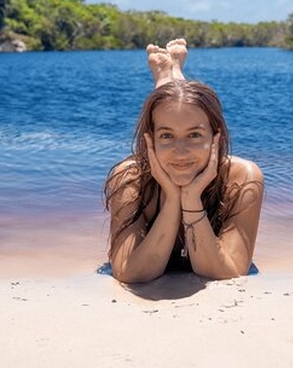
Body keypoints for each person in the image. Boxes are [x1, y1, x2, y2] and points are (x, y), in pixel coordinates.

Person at [104, 39, 264, 283]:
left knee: (178, 105)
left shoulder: (243, 177)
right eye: (166, 136)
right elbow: (130, 273)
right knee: (175, 104)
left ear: (216, 137)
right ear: (150, 140)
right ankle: (167, 75)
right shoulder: (129, 177)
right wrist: (171, 198)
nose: (180, 152)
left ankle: (169, 74)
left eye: (195, 135)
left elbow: (228, 272)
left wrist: (190, 199)